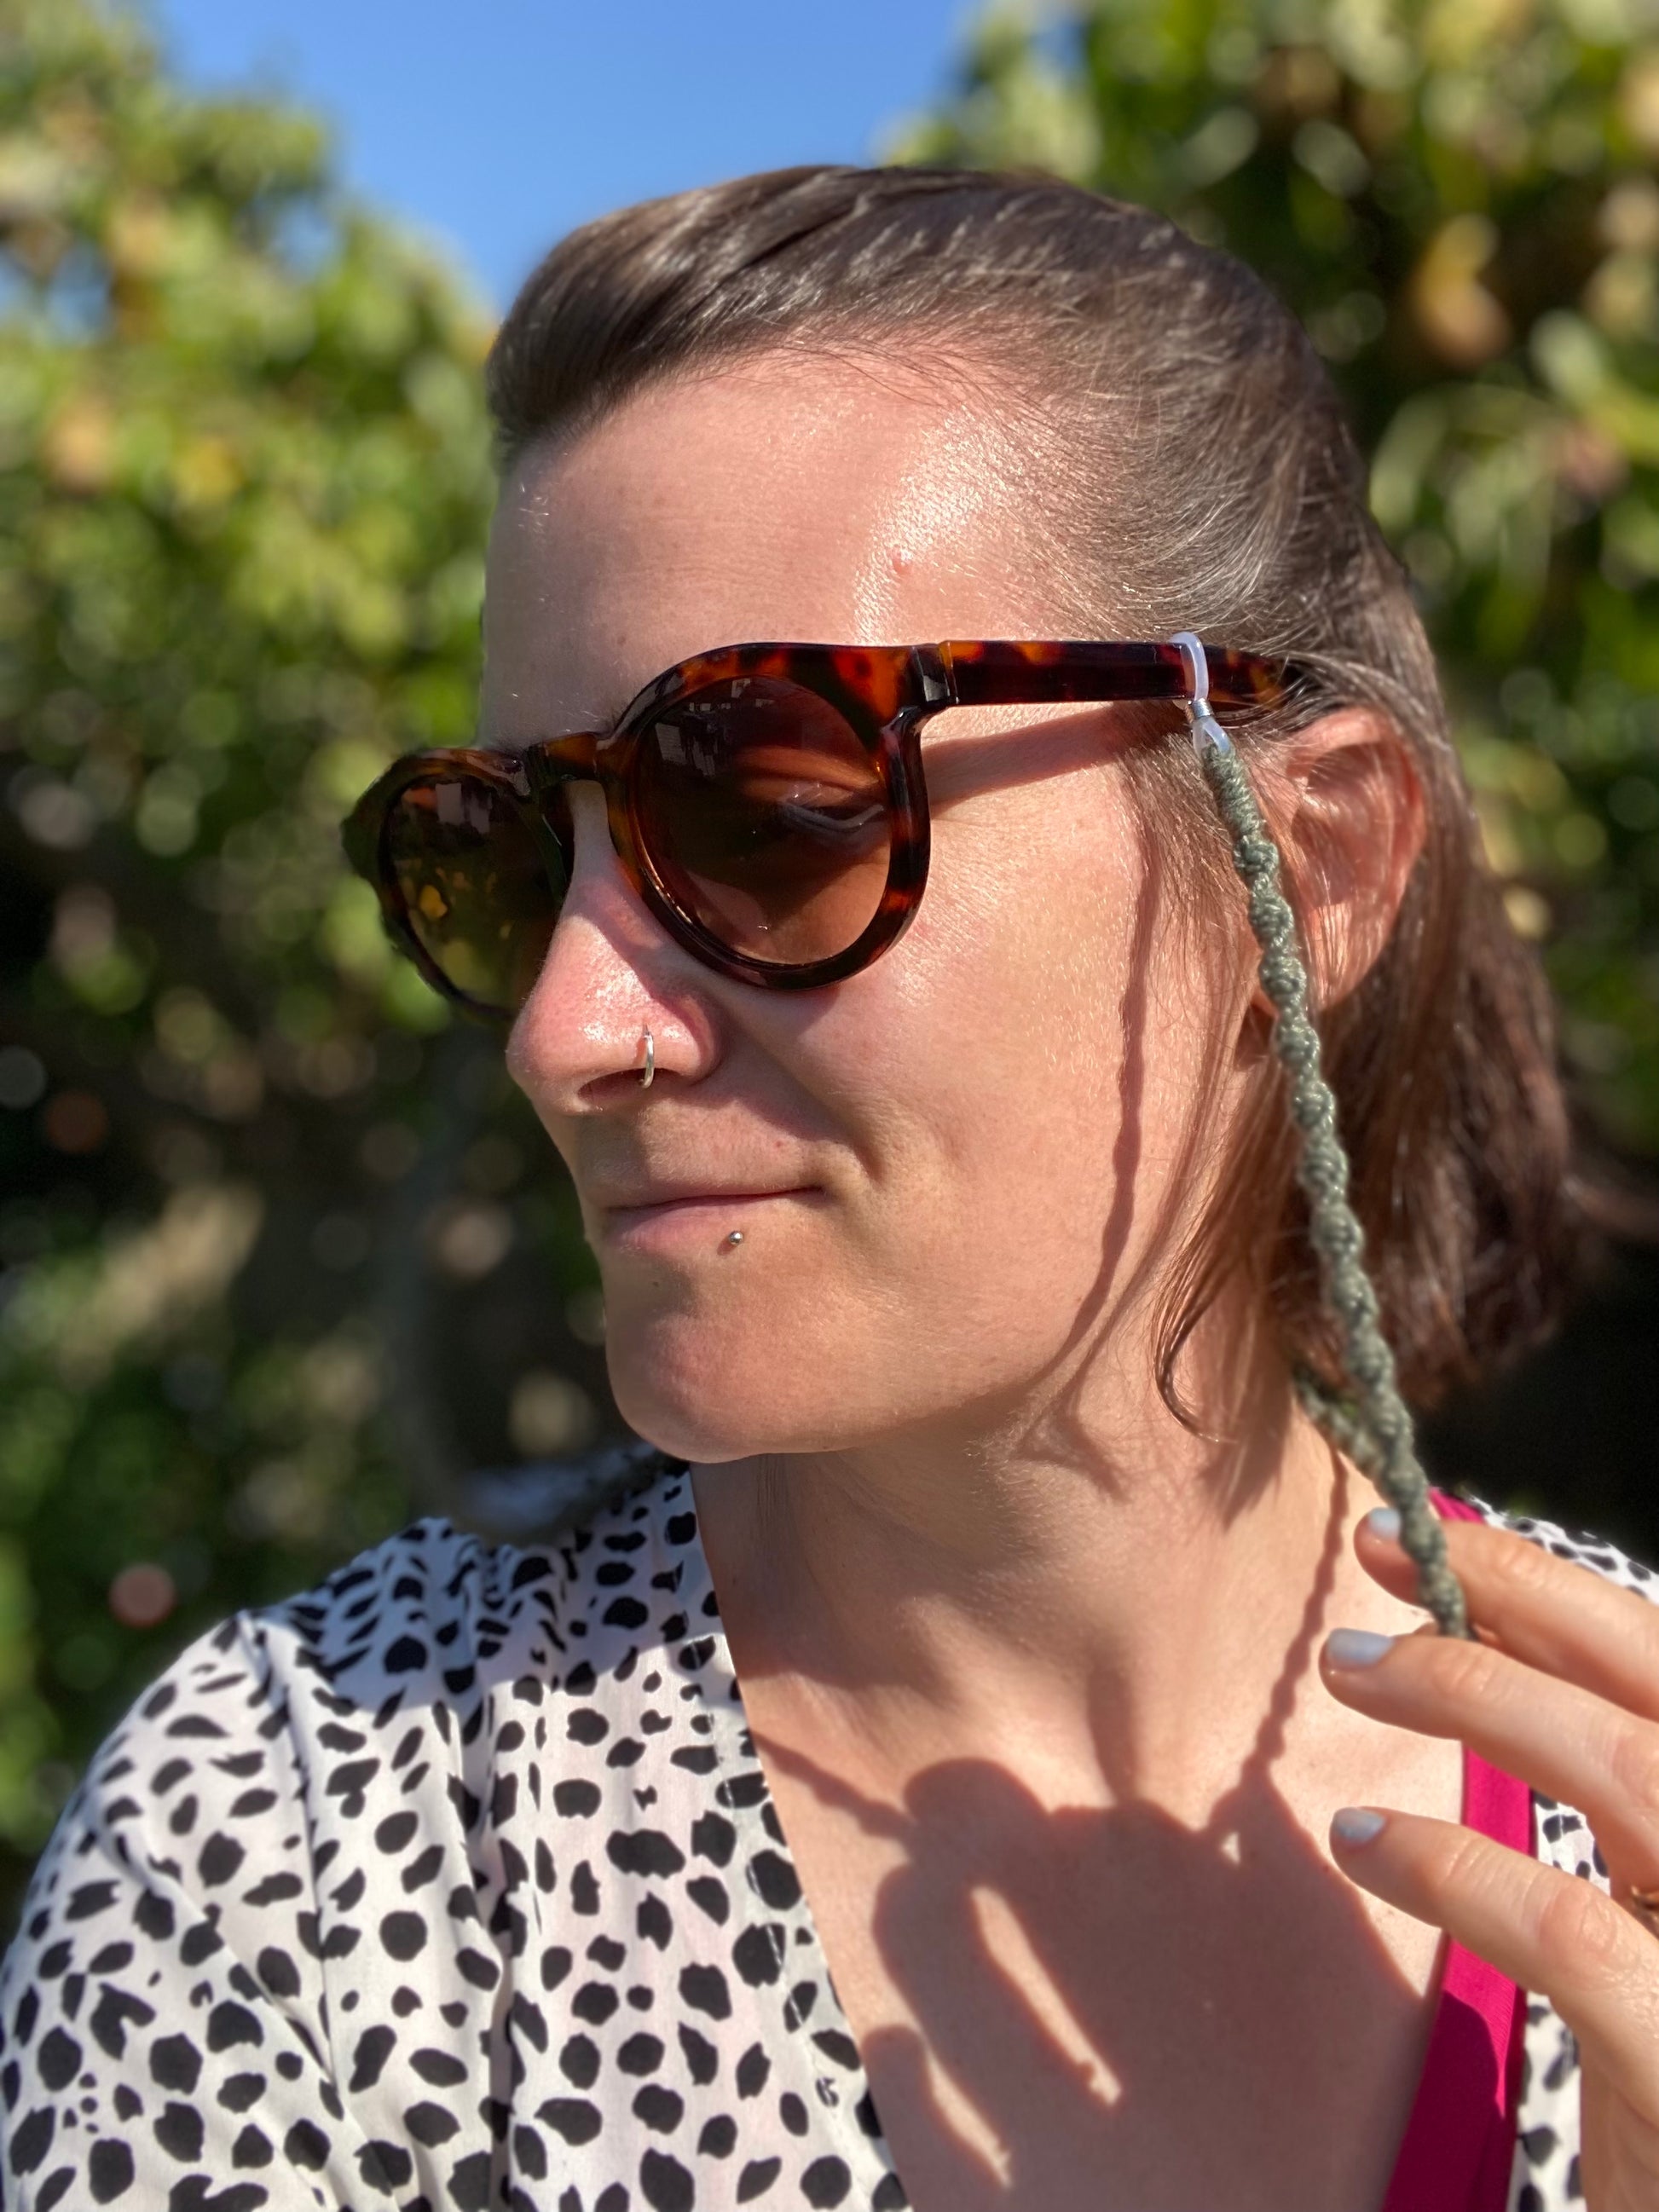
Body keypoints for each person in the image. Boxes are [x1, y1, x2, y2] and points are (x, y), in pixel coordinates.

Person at [2, 164, 1655, 2212]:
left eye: (773, 809)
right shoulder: (310, 1853)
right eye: (509, 855)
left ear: (1300, 874)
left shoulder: (1628, 1814)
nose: (561, 1028)